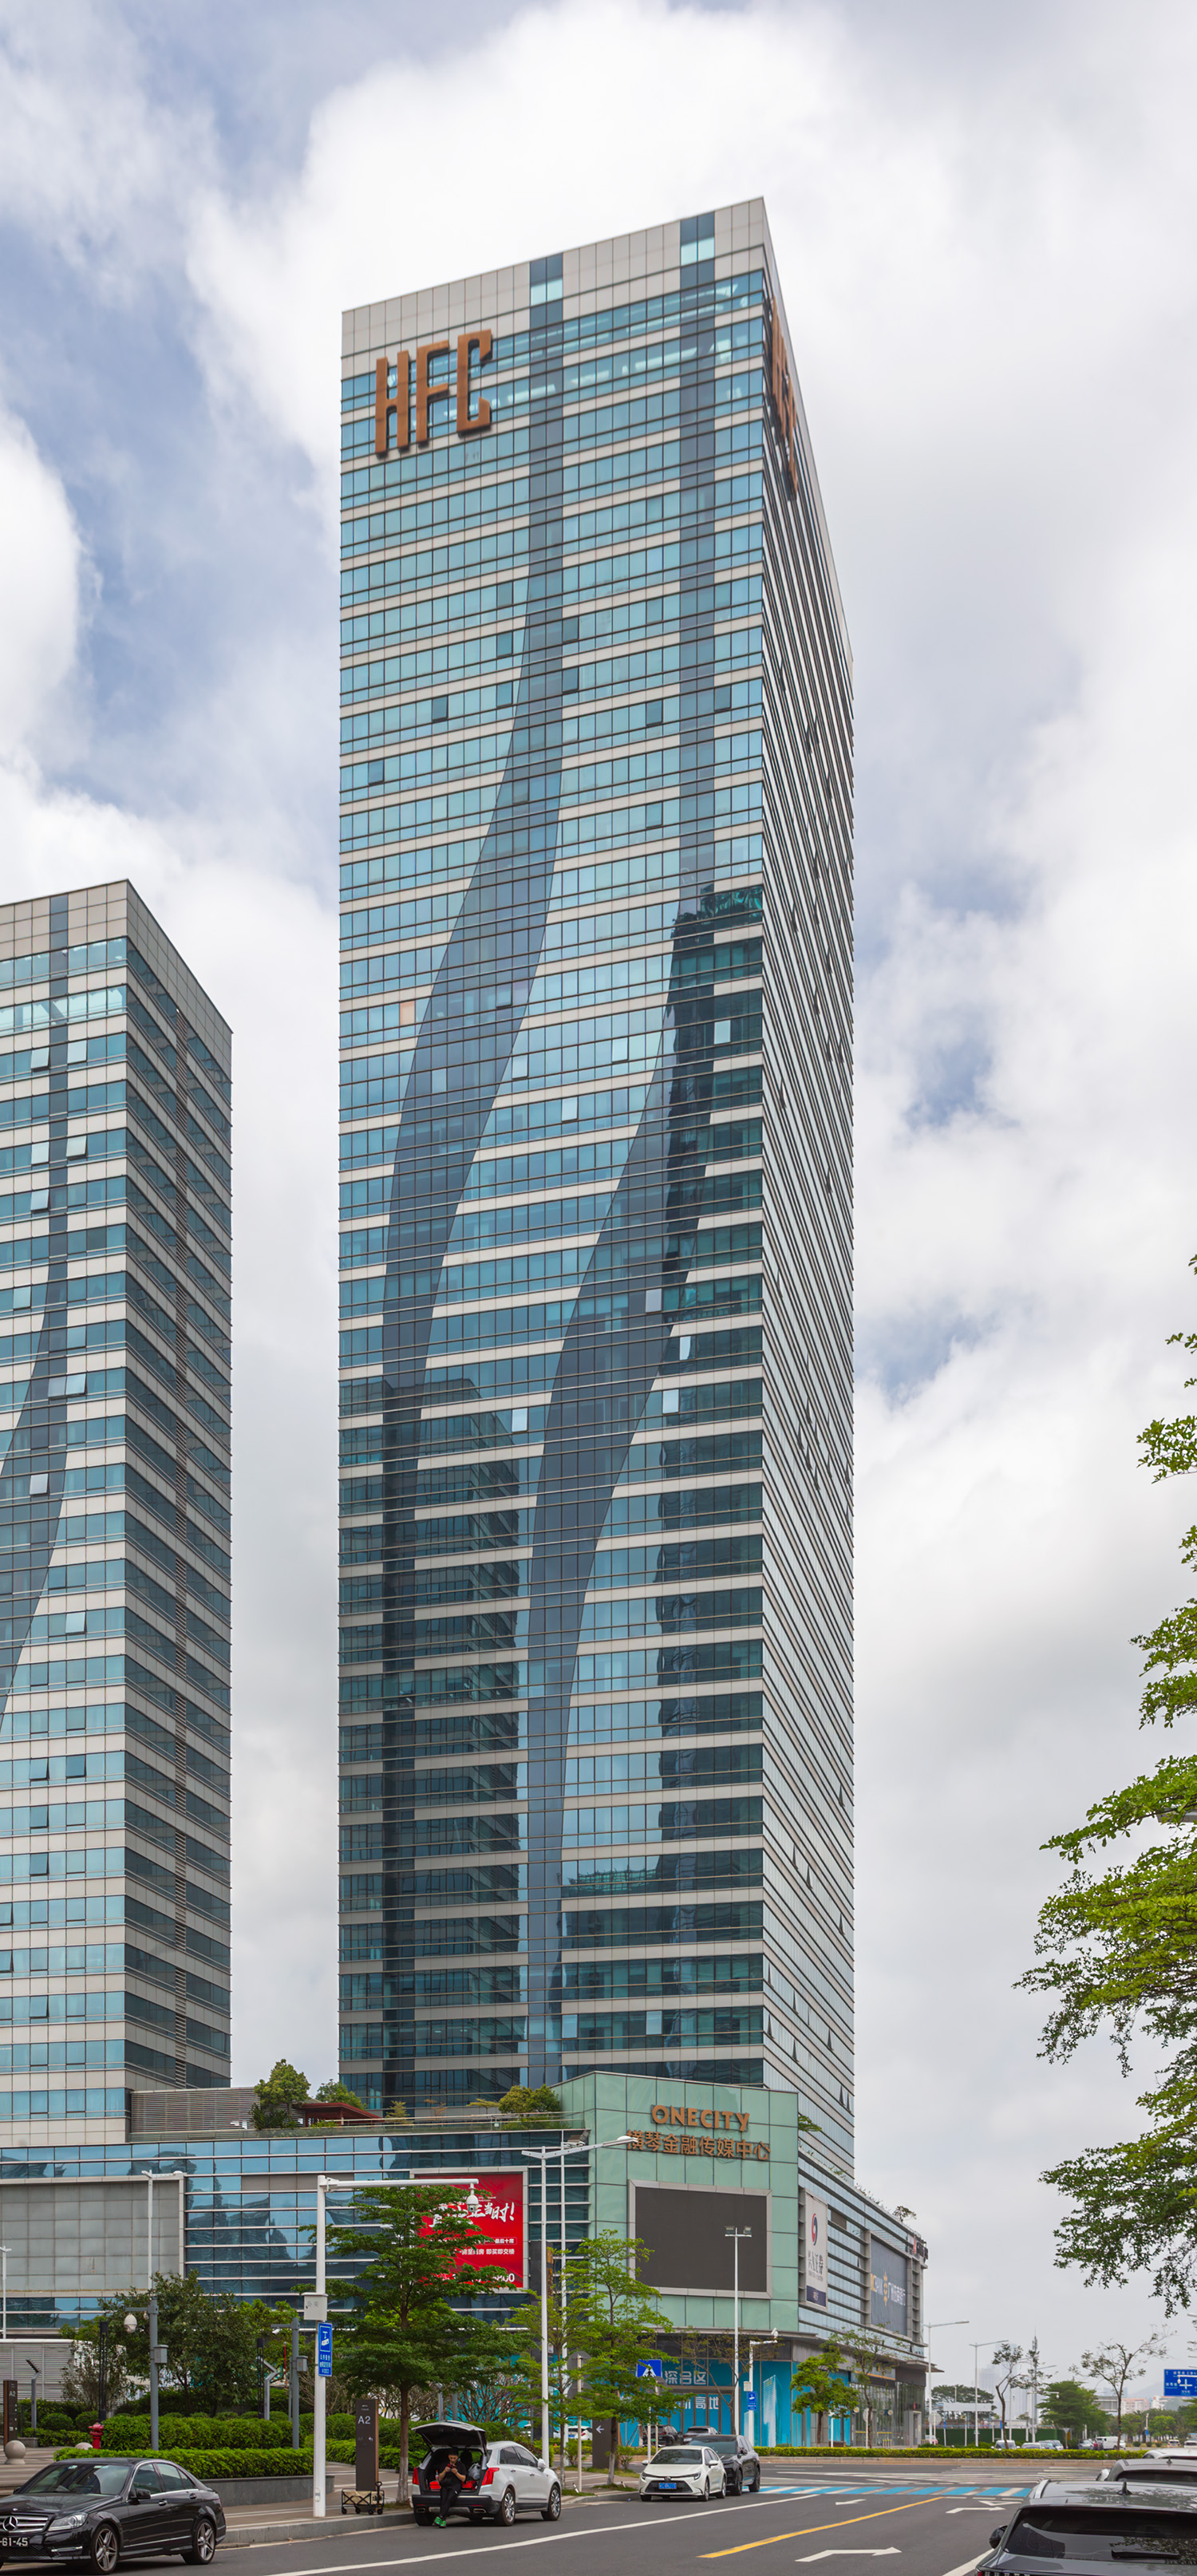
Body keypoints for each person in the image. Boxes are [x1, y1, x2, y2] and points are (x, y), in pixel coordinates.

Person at [436, 2451, 464, 2525]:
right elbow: (440, 2478)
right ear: (448, 2457)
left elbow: (463, 2479)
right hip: (445, 2484)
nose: (453, 2460)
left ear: (457, 2458)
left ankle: (440, 2516)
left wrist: (456, 2473)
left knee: (449, 2499)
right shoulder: (444, 2465)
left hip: (455, 2485)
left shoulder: (461, 2465)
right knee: (443, 2501)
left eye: (454, 2458)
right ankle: (443, 2521)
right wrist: (445, 2471)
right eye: (451, 2458)